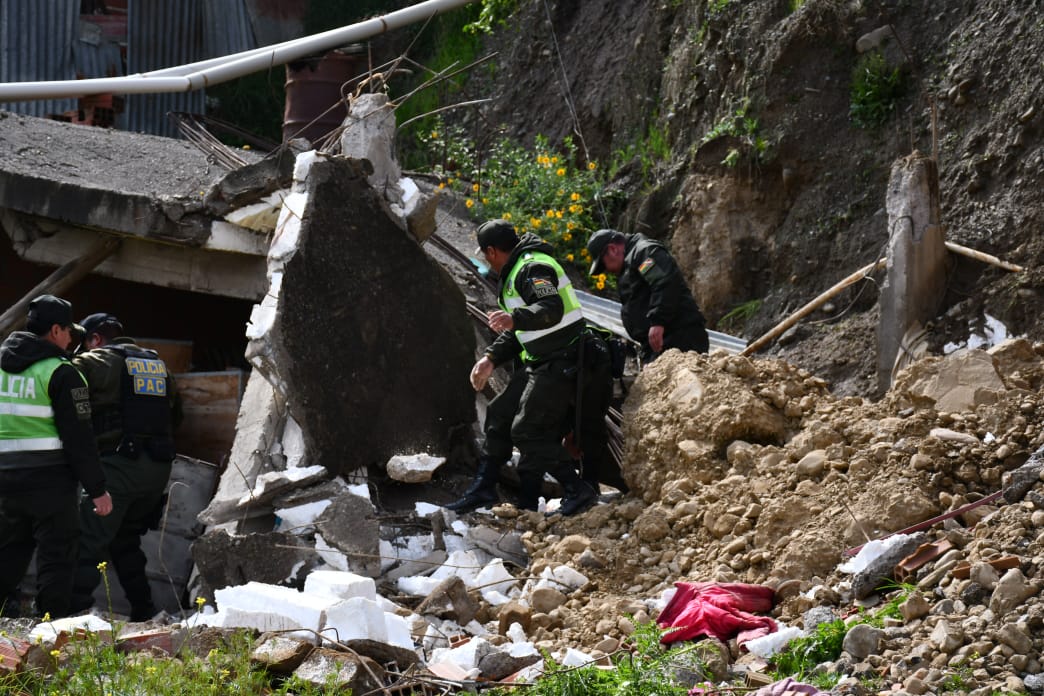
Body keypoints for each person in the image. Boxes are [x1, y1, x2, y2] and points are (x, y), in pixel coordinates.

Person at [447, 219, 599, 516]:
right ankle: (484, 488)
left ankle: (577, 489)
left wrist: (515, 318)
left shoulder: (532, 268)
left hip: (563, 360)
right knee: (500, 414)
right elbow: (521, 331)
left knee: (528, 430)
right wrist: (490, 358)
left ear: (491, 251)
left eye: (484, 256)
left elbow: (550, 309)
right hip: (541, 360)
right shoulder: (518, 269)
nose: (486, 263)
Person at [0, 295, 112, 619]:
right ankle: (49, 630)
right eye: (68, 332)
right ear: (55, 331)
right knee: (57, 555)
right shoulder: (62, 373)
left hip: (6, 479)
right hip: (49, 481)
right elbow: (80, 438)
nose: (70, 340)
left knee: (9, 550)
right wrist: (98, 489)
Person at [69, 313, 181, 621]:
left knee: (87, 542)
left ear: (94, 339)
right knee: (124, 540)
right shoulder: (160, 367)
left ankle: (69, 615)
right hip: (156, 471)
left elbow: (62, 382)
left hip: (118, 468)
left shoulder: (100, 359)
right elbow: (177, 414)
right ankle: (144, 610)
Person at [587, 229, 709, 362]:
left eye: (603, 265)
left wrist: (658, 321)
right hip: (660, 343)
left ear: (612, 249)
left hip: (679, 336)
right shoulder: (632, 259)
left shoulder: (643, 253)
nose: (607, 271)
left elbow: (664, 284)